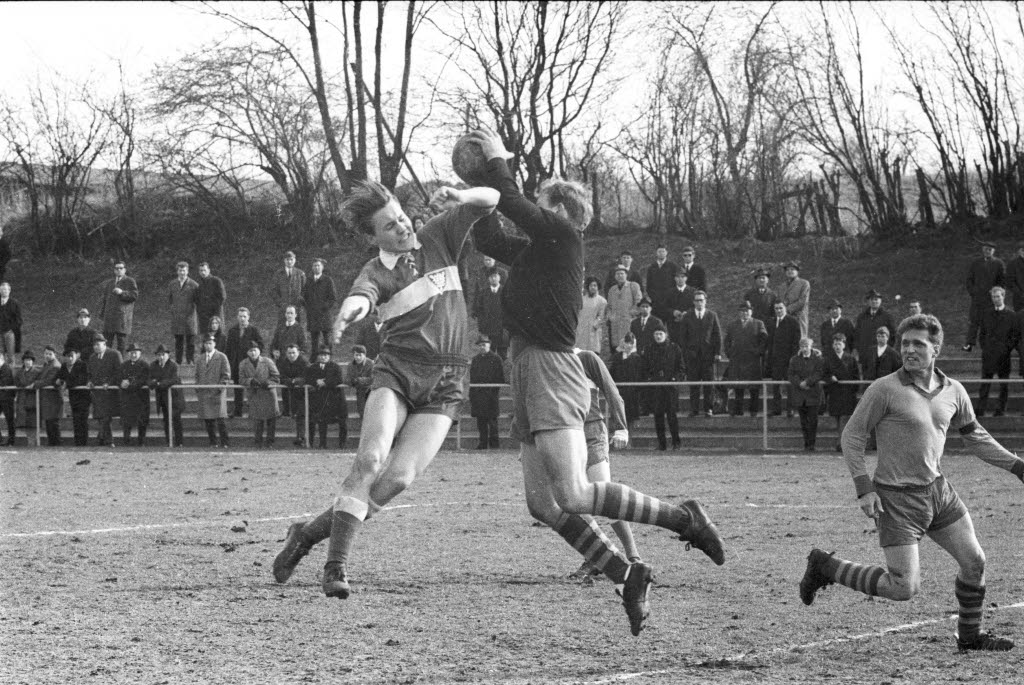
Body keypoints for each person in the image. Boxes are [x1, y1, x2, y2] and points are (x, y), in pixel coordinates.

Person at [467, 127, 724, 636]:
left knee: (577, 494)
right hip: (525, 367)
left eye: (543, 207)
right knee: (542, 505)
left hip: (551, 368)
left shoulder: (563, 237)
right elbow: (489, 235)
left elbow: (513, 203)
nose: (533, 214)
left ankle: (683, 518)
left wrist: (493, 162)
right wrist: (471, 198)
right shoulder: (537, 251)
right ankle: (627, 575)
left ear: (559, 212)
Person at [271, 179, 499, 600]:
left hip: (448, 381)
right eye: (390, 227)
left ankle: (306, 534)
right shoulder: (375, 271)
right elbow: (362, 296)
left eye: (401, 217)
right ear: (372, 237)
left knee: (399, 477)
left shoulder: (438, 235)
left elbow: (494, 200)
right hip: (397, 372)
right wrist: (350, 310)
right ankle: (335, 566)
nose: (402, 227)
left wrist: (462, 196)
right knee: (371, 459)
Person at [800, 314, 1024, 653]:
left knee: (975, 562)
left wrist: (1017, 466)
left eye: (918, 344)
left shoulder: (954, 391)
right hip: (896, 500)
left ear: (936, 348)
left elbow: (975, 437)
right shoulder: (884, 389)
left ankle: (969, 637)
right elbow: (852, 436)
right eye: (905, 343)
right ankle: (826, 567)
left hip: (938, 492)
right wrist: (864, 487)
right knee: (903, 587)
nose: (909, 349)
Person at [568, 348, 639, 580]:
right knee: (575, 502)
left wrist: (621, 427)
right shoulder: (549, 361)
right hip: (567, 435)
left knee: (605, 496)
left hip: (592, 433)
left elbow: (611, 391)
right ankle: (597, 557)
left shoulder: (586, 358)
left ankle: (633, 556)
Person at [977, 286, 1020, 417]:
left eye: (998, 296)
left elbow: (1015, 335)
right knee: (985, 384)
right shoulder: (986, 313)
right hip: (989, 355)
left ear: (1003, 297)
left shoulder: (1011, 315)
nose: (996, 299)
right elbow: (982, 334)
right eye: (993, 297)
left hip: (1003, 356)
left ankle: (1001, 410)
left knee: (1004, 385)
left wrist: (1006, 348)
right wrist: (986, 347)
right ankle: (980, 410)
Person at [678, 290, 722, 417]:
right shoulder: (687, 316)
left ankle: (708, 408)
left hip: (708, 356)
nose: (699, 303)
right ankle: (694, 409)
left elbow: (717, 335)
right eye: (697, 300)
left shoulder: (712, 315)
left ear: (705, 301)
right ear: (693, 302)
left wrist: (717, 352)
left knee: (709, 384)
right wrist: (686, 353)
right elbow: (683, 337)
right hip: (692, 356)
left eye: (701, 300)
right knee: (694, 384)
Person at [724, 301, 768, 416]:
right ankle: (739, 410)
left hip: (752, 360)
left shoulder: (758, 324)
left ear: (751, 311)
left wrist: (758, 351)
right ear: (739, 313)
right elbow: (726, 341)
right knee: (738, 387)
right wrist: (730, 353)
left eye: (747, 311)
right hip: (737, 360)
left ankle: (753, 411)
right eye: (742, 311)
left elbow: (764, 340)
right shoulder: (732, 325)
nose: (745, 313)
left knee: (754, 388)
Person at [644, 323, 683, 450]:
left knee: (672, 416)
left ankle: (676, 442)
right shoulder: (649, 349)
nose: (658, 336)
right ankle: (662, 444)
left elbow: (681, 368)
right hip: (656, 388)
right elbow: (646, 368)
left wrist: (674, 379)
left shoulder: (674, 348)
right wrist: (650, 379)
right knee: (658, 416)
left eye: (661, 334)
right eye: (656, 334)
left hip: (670, 388)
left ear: (665, 335)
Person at [962, 241, 1005, 351]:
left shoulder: (998, 263)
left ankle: (991, 344)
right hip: (977, 298)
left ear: (993, 251)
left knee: (991, 321)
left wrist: (996, 293)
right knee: (974, 321)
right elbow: (969, 280)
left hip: (991, 299)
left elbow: (1002, 281)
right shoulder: (976, 263)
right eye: (986, 249)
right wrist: (973, 292)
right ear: (982, 250)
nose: (987, 251)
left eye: (990, 249)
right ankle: (969, 344)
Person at [822, 333, 860, 452]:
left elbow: (856, 376)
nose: (837, 346)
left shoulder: (851, 359)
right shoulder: (828, 359)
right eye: (835, 344)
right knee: (839, 419)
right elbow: (824, 374)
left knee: (845, 418)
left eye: (840, 344)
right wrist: (830, 378)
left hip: (847, 393)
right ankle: (842, 441)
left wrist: (852, 389)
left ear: (844, 345)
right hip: (835, 393)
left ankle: (842, 443)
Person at [238, 341, 280, 448]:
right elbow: (241, 379)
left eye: (255, 350)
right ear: (247, 352)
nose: (253, 353)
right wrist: (250, 381)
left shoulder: (267, 361)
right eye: (250, 351)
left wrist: (269, 382)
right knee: (257, 419)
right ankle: (258, 441)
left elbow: (276, 376)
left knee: (271, 419)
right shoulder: (243, 364)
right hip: (254, 394)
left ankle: (270, 441)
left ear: (259, 351)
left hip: (268, 394)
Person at [304, 346, 345, 449]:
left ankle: (342, 444)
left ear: (329, 356)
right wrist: (316, 382)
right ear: (318, 356)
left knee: (341, 421)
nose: (323, 357)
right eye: (321, 355)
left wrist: (325, 382)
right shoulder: (313, 367)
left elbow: (339, 379)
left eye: (326, 355)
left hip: (334, 398)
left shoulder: (335, 367)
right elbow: (308, 379)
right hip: (319, 399)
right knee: (321, 421)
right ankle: (322, 444)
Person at [226, 307, 264, 417]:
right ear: (237, 317)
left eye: (244, 316)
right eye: (240, 316)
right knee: (237, 388)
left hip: (250, 363)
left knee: (252, 387)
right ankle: (238, 411)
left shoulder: (253, 330)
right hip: (236, 363)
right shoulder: (232, 331)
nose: (242, 319)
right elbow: (228, 348)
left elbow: (261, 344)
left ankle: (254, 411)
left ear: (248, 317)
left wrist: (254, 352)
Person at [765, 300, 801, 417]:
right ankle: (777, 408)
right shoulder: (770, 322)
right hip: (775, 361)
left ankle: (790, 409)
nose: (779, 311)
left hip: (788, 360)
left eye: (781, 308)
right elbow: (769, 342)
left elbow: (796, 343)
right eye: (776, 309)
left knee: (789, 385)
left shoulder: (793, 322)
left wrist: (792, 359)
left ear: (785, 308)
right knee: (776, 386)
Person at [195, 333, 231, 448]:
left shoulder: (221, 357)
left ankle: (225, 442)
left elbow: (226, 375)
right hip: (205, 393)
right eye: (206, 343)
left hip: (217, 393)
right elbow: (197, 375)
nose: (208, 346)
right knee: (208, 420)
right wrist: (198, 388)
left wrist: (220, 388)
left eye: (210, 343)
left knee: (220, 419)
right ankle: (213, 442)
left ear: (214, 344)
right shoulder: (200, 359)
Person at [789, 338, 824, 451]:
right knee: (803, 421)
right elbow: (791, 374)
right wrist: (799, 383)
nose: (804, 349)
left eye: (806, 346)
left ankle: (811, 444)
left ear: (811, 346)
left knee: (813, 421)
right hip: (800, 394)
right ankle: (806, 443)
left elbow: (819, 373)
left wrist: (808, 382)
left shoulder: (818, 359)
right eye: (802, 346)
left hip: (813, 394)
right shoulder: (794, 360)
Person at [469, 335, 504, 449]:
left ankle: (494, 444)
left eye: (484, 345)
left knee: (492, 420)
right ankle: (482, 443)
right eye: (480, 345)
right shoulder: (476, 359)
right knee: (481, 420)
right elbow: (473, 377)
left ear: (489, 345)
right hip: (479, 394)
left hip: (491, 394)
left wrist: (493, 391)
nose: (482, 347)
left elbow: (500, 377)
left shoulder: (496, 359)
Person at [87, 333, 121, 447]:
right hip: (98, 393)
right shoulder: (92, 358)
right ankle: (103, 439)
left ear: (104, 343)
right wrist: (90, 382)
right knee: (101, 417)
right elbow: (90, 374)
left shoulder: (114, 354)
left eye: (98, 344)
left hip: (110, 392)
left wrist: (110, 383)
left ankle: (107, 440)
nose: (96, 347)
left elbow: (119, 372)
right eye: (94, 345)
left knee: (106, 417)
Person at [854, 290, 896, 379]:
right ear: (868, 301)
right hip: (866, 356)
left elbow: (893, 335)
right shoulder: (861, 317)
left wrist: (886, 350)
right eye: (872, 299)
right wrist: (860, 352)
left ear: (880, 301)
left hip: (883, 356)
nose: (874, 301)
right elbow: (857, 336)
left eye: (876, 299)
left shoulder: (887, 316)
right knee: (868, 380)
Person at [97, 261, 137, 354]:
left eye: (121, 268)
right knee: (106, 344)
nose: (119, 270)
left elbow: (134, 296)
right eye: (116, 268)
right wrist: (102, 314)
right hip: (109, 319)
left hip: (122, 318)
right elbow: (105, 300)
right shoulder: (110, 283)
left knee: (121, 345)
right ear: (114, 270)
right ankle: (107, 364)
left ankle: (121, 365)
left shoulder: (130, 281)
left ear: (125, 270)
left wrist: (122, 293)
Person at [302, 258, 337, 356]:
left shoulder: (328, 280)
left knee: (327, 338)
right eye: (314, 266)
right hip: (312, 315)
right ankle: (314, 358)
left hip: (324, 314)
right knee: (314, 338)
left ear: (322, 267)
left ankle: (329, 357)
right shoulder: (308, 281)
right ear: (312, 267)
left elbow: (333, 298)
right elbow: (304, 296)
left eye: (318, 265)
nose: (316, 267)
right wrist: (308, 308)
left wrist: (324, 307)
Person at [150, 344, 184, 447]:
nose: (161, 357)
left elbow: (174, 379)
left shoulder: (173, 365)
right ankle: (168, 441)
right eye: (159, 355)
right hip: (162, 398)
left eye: (163, 355)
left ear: (168, 355)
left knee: (176, 420)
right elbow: (149, 380)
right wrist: (154, 383)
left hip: (174, 398)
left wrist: (160, 383)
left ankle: (179, 442)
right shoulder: (153, 365)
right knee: (166, 420)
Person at [277, 343, 310, 446]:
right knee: (295, 414)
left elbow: (307, 376)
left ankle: (302, 437)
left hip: (303, 393)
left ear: (298, 352)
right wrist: (289, 381)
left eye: (294, 353)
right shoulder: (283, 362)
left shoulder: (304, 362)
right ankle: (299, 436)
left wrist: (296, 381)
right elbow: (280, 377)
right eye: (289, 353)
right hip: (289, 393)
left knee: (301, 415)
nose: (291, 355)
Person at [167, 261, 199, 365]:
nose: (182, 273)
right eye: (180, 270)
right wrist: (173, 310)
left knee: (190, 341)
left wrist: (191, 311)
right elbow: (169, 299)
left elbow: (198, 301)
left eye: (184, 270)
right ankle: (178, 362)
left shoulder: (194, 285)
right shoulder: (172, 284)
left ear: (187, 271)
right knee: (178, 341)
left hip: (190, 317)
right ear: (177, 271)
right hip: (177, 317)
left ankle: (190, 361)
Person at [57, 347, 90, 447]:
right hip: (73, 397)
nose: (70, 359)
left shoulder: (82, 365)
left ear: (76, 356)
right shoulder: (64, 366)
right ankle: (77, 442)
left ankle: (84, 442)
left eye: (72, 356)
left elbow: (81, 380)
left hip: (83, 397)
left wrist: (67, 383)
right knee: (75, 420)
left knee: (83, 420)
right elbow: (59, 377)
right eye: (68, 357)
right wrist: (59, 381)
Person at [610, 333, 644, 428]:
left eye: (631, 343)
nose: (629, 345)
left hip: (632, 394)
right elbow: (612, 373)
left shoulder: (637, 359)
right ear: (623, 343)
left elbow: (639, 376)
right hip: (619, 392)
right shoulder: (617, 358)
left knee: (630, 421)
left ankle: (629, 442)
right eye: (627, 342)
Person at [605, 264, 642, 353]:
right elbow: (609, 306)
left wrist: (631, 313)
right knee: (617, 346)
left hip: (629, 320)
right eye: (618, 274)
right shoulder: (612, 290)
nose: (620, 276)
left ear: (626, 275)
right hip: (616, 322)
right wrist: (610, 316)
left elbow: (639, 302)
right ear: (615, 276)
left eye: (622, 274)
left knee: (630, 344)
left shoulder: (633, 286)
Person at [119, 343, 150, 446]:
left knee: (142, 421)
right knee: (126, 421)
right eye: (131, 353)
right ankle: (126, 441)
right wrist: (121, 383)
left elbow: (144, 379)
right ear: (128, 354)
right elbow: (118, 377)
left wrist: (130, 384)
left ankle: (141, 442)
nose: (133, 355)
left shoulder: (145, 365)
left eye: (136, 353)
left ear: (140, 353)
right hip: (127, 399)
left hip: (141, 398)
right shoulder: (124, 365)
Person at [472, 268, 507, 359]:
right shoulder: (483, 293)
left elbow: (510, 310)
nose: (493, 279)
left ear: (499, 277)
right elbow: (479, 310)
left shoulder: (505, 292)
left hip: (502, 328)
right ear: (488, 279)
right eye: (491, 277)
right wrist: (482, 326)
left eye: (495, 276)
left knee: (502, 354)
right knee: (489, 354)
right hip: (488, 328)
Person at [33, 346, 63, 446]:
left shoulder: (55, 365)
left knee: (53, 422)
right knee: (49, 422)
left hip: (53, 399)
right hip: (48, 398)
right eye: (46, 353)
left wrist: (35, 384)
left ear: (55, 354)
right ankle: (52, 443)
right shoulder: (47, 364)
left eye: (50, 354)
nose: (47, 356)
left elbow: (48, 380)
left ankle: (56, 443)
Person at [273, 251, 306, 327]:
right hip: (283, 307)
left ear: (295, 260)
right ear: (284, 260)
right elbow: (273, 290)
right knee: (282, 328)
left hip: (296, 306)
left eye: (291, 259)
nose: (289, 261)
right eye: (287, 259)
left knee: (296, 328)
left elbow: (305, 289)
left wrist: (300, 301)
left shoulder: (300, 274)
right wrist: (279, 302)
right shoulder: (278, 274)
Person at [645, 245, 678, 323]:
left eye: (663, 251)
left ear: (666, 253)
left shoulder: (672, 266)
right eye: (659, 251)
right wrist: (654, 298)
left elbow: (675, 284)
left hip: (669, 302)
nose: (661, 253)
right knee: (657, 324)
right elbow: (648, 286)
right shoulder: (651, 267)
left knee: (670, 325)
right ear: (656, 253)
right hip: (656, 302)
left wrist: (670, 297)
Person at [14, 351, 40, 445]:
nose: (27, 362)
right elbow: (17, 382)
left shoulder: (37, 372)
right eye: (26, 360)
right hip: (22, 399)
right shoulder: (19, 372)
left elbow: (36, 383)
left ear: (32, 361)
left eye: (29, 360)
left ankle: (33, 441)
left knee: (32, 421)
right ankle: (30, 440)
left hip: (32, 399)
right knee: (23, 422)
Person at [575, 277, 606, 354]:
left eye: (595, 285)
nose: (593, 287)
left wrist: (595, 325)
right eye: (591, 285)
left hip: (593, 330)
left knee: (592, 352)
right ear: (587, 287)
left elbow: (602, 316)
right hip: (580, 328)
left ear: (598, 287)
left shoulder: (602, 301)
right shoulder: (581, 299)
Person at [195, 261, 226, 335]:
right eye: (201, 270)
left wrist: (213, 309)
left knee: (218, 335)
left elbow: (222, 297)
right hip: (204, 317)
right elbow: (198, 300)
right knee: (205, 336)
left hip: (215, 314)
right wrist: (201, 311)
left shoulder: (216, 281)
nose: (203, 272)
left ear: (209, 270)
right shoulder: (200, 285)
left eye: (204, 270)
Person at [665, 270, 696, 344]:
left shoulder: (693, 291)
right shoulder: (669, 292)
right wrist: (673, 312)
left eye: (682, 277)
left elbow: (697, 307)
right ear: (674, 278)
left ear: (686, 278)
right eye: (678, 277)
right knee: (675, 346)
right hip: (674, 325)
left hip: (689, 324)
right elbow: (664, 307)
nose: (680, 279)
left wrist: (687, 312)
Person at [780, 261, 810, 338]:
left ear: (797, 271)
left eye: (792, 269)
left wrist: (786, 309)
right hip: (785, 318)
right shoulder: (782, 286)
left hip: (798, 317)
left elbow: (803, 301)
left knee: (799, 340)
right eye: (788, 270)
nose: (790, 271)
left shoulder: (804, 283)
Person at [346, 344, 374, 418]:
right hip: (360, 391)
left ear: (364, 355)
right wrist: (351, 381)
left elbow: (372, 379)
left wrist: (358, 380)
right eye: (356, 355)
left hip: (371, 391)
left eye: (360, 355)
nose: (358, 357)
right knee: (361, 411)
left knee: (371, 412)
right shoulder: (351, 365)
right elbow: (347, 379)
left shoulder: (371, 363)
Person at [0, 282, 22, 361]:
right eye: (2, 289)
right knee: (1, 356)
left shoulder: (14, 303)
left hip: (9, 333)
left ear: (9, 290)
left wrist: (11, 329)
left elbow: (19, 320)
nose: (4, 291)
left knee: (10, 357)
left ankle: (10, 372)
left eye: (5, 289)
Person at [0, 353, 16, 445]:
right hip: (2, 397)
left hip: (7, 398)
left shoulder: (5, 368)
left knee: (10, 419)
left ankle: (11, 440)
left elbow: (4, 382)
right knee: (9, 419)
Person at [1004, 241, 1024, 311]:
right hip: (1020, 298)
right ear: (1019, 251)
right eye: (1022, 250)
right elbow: (1009, 282)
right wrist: (1020, 294)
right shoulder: (1012, 264)